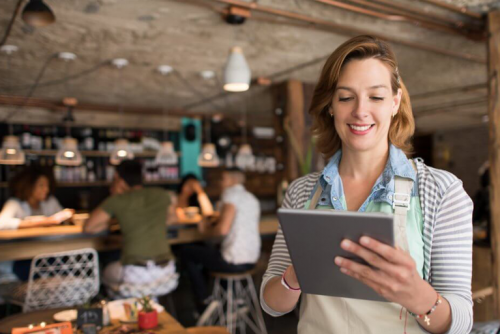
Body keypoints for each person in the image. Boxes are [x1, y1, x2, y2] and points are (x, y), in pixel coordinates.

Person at [261, 35, 473, 334]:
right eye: (346, 97)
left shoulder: (440, 190)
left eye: (376, 97)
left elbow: (462, 322)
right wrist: (298, 275)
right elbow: (271, 303)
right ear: (331, 106)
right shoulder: (302, 191)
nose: (360, 111)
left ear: (395, 103)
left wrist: (415, 292)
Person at [84, 160, 176, 288]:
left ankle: (118, 304)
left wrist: (113, 221)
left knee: (104, 272)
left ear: (117, 177)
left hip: (136, 273)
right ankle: (146, 304)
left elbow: (89, 227)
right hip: (167, 272)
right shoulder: (162, 194)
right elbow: (172, 219)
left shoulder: (117, 200)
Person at [181, 168, 261, 313]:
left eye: (222, 179)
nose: (220, 183)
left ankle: (204, 300)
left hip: (232, 261)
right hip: (251, 260)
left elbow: (222, 230)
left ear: (232, 180)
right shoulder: (251, 198)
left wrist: (205, 232)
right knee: (214, 253)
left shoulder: (230, 194)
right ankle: (235, 299)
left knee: (187, 252)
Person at [0, 165, 73, 230]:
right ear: (29, 186)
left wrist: (67, 215)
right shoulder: (14, 203)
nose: (46, 189)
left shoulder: (50, 201)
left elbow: (62, 217)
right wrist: (45, 222)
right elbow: (1, 224)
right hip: (21, 243)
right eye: (41, 185)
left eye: (47, 185)